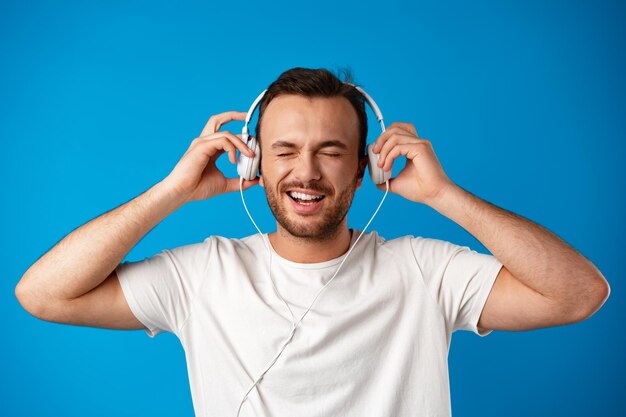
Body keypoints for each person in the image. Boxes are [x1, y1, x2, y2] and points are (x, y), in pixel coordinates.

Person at [15, 67, 610, 417]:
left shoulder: (426, 271)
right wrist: (170, 192)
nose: (307, 172)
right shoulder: (202, 274)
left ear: (364, 169)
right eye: (284, 151)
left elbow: (578, 294)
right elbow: (43, 295)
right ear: (253, 164)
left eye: (330, 151)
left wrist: (442, 196)